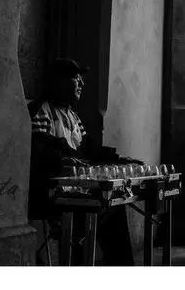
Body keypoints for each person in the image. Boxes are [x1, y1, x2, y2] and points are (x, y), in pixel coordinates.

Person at [28, 58, 135, 265]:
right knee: (88, 213)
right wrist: (66, 159)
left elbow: (89, 150)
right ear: (59, 82)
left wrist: (119, 159)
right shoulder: (41, 110)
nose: (82, 84)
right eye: (77, 79)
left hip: (75, 191)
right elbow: (40, 153)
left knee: (113, 207)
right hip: (51, 194)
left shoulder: (72, 115)